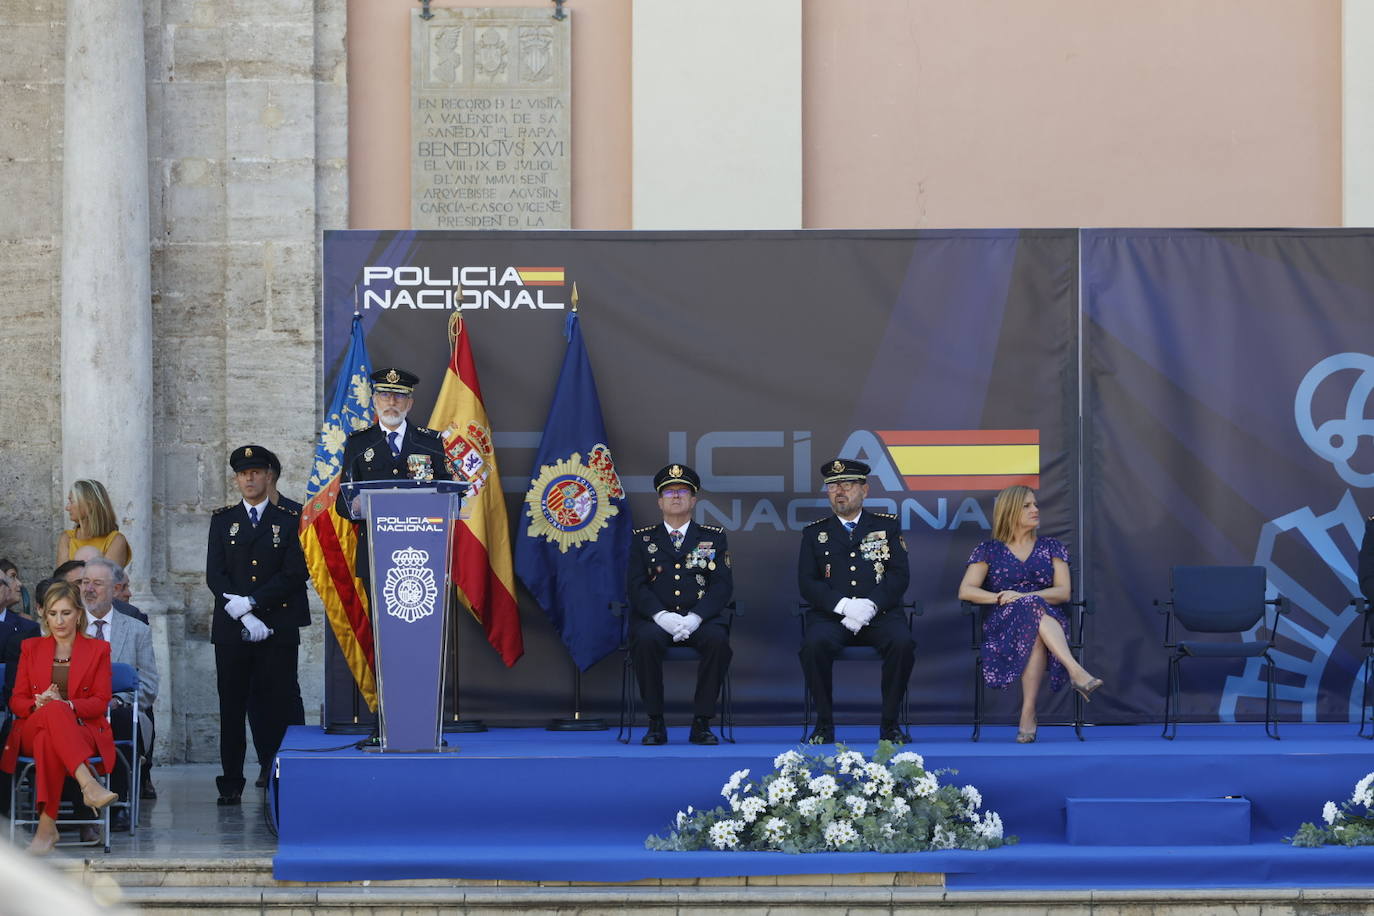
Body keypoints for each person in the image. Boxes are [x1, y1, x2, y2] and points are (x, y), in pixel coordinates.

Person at [957, 485, 1103, 743]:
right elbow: (966, 590)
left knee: (1032, 616)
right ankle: (1076, 672)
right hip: (1003, 623)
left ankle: (1028, 713)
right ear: (1010, 511)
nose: (1035, 510)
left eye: (1035, 505)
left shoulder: (1052, 547)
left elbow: (1063, 592)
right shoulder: (988, 549)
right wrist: (1000, 597)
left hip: (1048, 621)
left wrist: (1026, 597)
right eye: (1027, 506)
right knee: (1030, 614)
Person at [206, 445, 310, 804]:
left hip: (277, 623)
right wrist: (243, 613)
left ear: (270, 476)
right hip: (233, 628)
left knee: (277, 701)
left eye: (255, 472)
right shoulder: (223, 519)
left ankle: (274, 767)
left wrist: (253, 602)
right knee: (231, 705)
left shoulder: (292, 515)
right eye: (242, 473)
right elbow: (215, 574)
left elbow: (296, 570)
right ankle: (231, 780)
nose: (248, 478)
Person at [798, 458, 914, 744]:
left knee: (902, 644)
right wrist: (844, 606)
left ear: (865, 490)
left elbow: (899, 576)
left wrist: (870, 606)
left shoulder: (887, 527)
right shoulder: (815, 533)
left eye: (847, 485)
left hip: (880, 615)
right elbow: (807, 582)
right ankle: (824, 725)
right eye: (833, 486)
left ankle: (890, 725)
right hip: (832, 616)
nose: (840, 491)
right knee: (813, 646)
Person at [1, 581, 118, 854]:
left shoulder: (98, 650)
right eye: (52, 614)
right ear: (45, 616)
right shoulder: (31, 648)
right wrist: (38, 703)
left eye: (65, 613)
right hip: (32, 723)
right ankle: (88, 783)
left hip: (81, 731)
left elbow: (100, 702)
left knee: (48, 737)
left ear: (78, 614)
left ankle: (46, 829)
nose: (59, 620)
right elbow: (16, 700)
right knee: (49, 714)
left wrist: (66, 705)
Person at [627, 464, 733, 746]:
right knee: (645, 641)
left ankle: (701, 722)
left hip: (699, 619)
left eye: (683, 491)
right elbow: (635, 585)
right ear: (660, 501)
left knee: (718, 641)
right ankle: (655, 722)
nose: (676, 496)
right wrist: (660, 616)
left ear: (694, 500)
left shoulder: (712, 537)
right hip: (656, 620)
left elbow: (722, 585)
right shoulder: (642, 539)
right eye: (669, 492)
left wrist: (696, 618)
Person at [336, 367, 451, 591]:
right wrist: (355, 505)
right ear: (374, 400)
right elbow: (342, 503)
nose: (392, 402)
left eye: (399, 396)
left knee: (422, 620)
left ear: (410, 403)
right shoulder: (358, 444)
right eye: (385, 395)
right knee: (380, 624)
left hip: (422, 551)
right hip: (375, 550)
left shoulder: (429, 442)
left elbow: (447, 493)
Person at [80, 556, 158, 830]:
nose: (88, 589)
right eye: (84, 582)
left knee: (124, 721)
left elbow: (148, 686)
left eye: (97, 583)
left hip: (119, 711)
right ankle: (78, 808)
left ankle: (119, 804)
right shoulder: (68, 625)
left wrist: (117, 700)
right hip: (76, 710)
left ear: (115, 589)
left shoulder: (136, 630)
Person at [56, 479, 131, 569]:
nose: (67, 508)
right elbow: (62, 579)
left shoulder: (115, 540)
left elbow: (107, 579)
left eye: (72, 501)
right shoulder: (67, 538)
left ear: (90, 505)